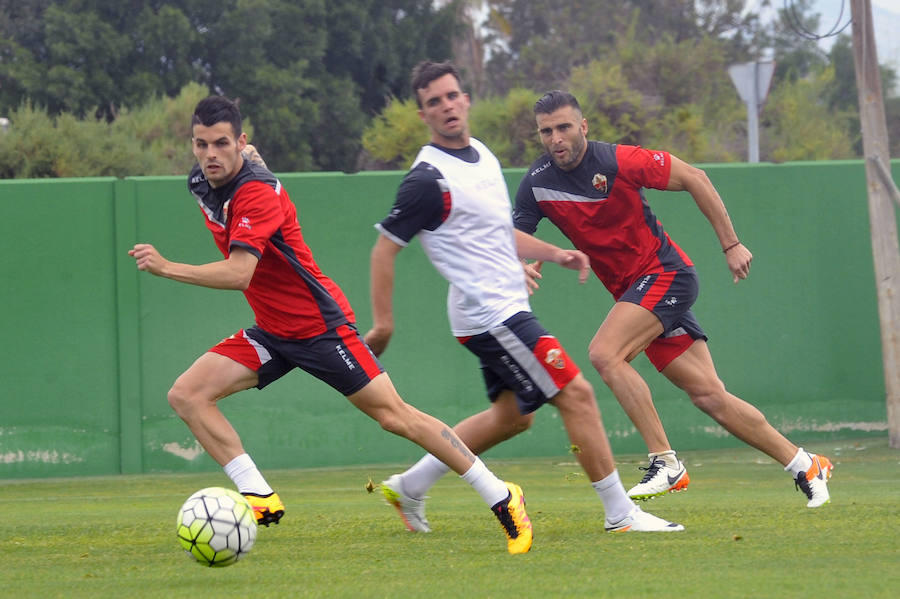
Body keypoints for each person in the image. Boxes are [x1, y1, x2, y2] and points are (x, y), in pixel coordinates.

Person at [128, 95, 533, 554]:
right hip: (272, 331)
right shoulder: (203, 180)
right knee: (186, 394)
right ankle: (258, 495)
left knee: (395, 416)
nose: (210, 155)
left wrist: (167, 267)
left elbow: (240, 272)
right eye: (201, 145)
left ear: (241, 141)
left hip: (320, 327)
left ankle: (502, 496)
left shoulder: (256, 193)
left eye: (222, 143)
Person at [365, 61, 683, 537]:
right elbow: (384, 250)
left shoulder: (482, 156)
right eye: (434, 102)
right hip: (489, 315)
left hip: (502, 307)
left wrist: (555, 253)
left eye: (452, 96)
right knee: (576, 393)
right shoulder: (427, 180)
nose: (446, 106)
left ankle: (409, 486)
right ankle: (621, 513)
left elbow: (500, 235)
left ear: (466, 100)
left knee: (512, 417)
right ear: (422, 114)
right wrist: (384, 324)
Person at [512, 90, 833, 508]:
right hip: (637, 292)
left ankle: (665, 462)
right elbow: (516, 236)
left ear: (583, 126)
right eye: (546, 131)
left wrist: (731, 244)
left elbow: (695, 177)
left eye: (564, 127)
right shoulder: (536, 183)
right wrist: (524, 261)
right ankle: (803, 463)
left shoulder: (618, 161)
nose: (556, 138)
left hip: (666, 275)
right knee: (710, 396)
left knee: (606, 355)